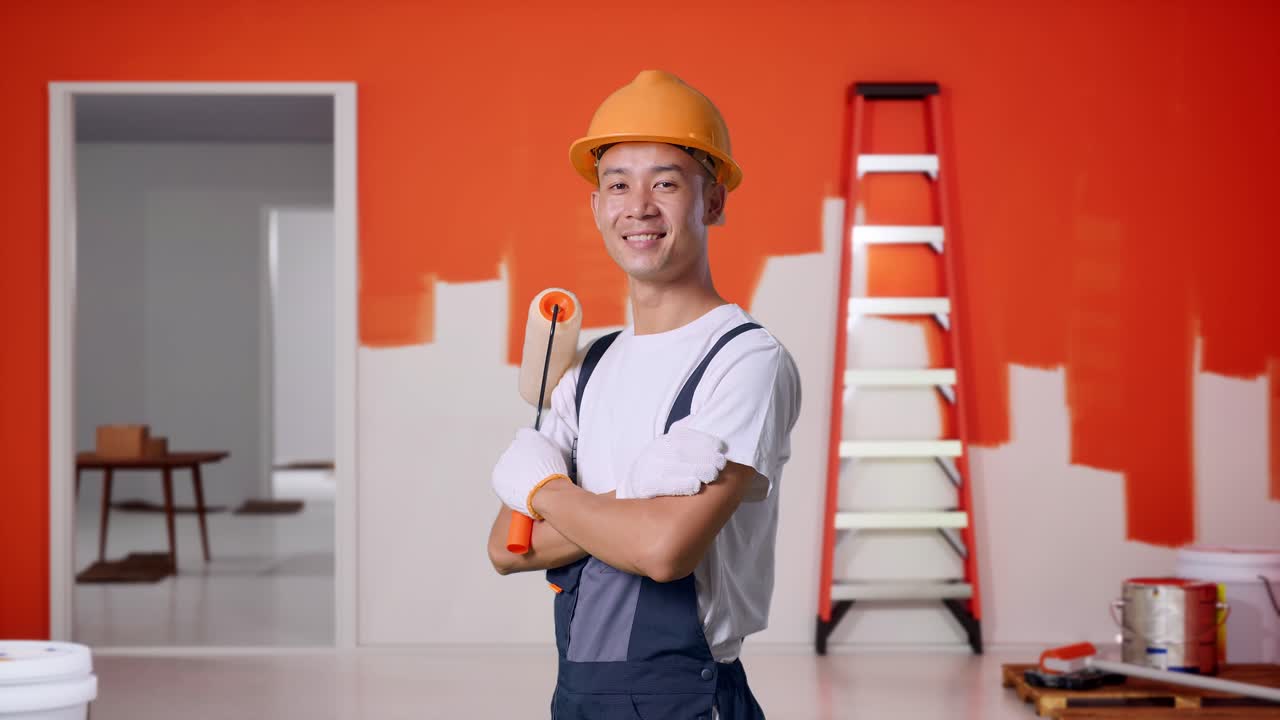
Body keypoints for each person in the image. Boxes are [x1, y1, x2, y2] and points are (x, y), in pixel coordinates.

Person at [488, 69, 801, 720]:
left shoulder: (745, 359)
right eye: (617, 184)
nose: (639, 207)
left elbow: (664, 552)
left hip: (686, 698)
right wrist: (637, 504)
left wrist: (545, 490)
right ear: (597, 207)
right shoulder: (590, 364)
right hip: (576, 694)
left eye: (665, 182)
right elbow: (509, 546)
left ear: (712, 200)